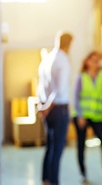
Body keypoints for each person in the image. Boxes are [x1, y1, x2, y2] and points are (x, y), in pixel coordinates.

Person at [73, 51, 102, 182]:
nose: (95, 63)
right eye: (93, 60)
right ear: (87, 61)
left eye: (97, 60)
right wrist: (80, 115)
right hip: (82, 117)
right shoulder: (82, 76)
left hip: (97, 116)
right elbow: (76, 97)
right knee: (81, 145)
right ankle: (82, 173)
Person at [37, 31, 73, 185]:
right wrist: (47, 107)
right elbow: (59, 89)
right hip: (57, 109)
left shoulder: (47, 59)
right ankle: (54, 182)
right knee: (57, 149)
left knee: (50, 146)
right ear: (69, 44)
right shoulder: (63, 60)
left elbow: (41, 87)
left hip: (48, 109)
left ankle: (46, 179)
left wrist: (42, 105)